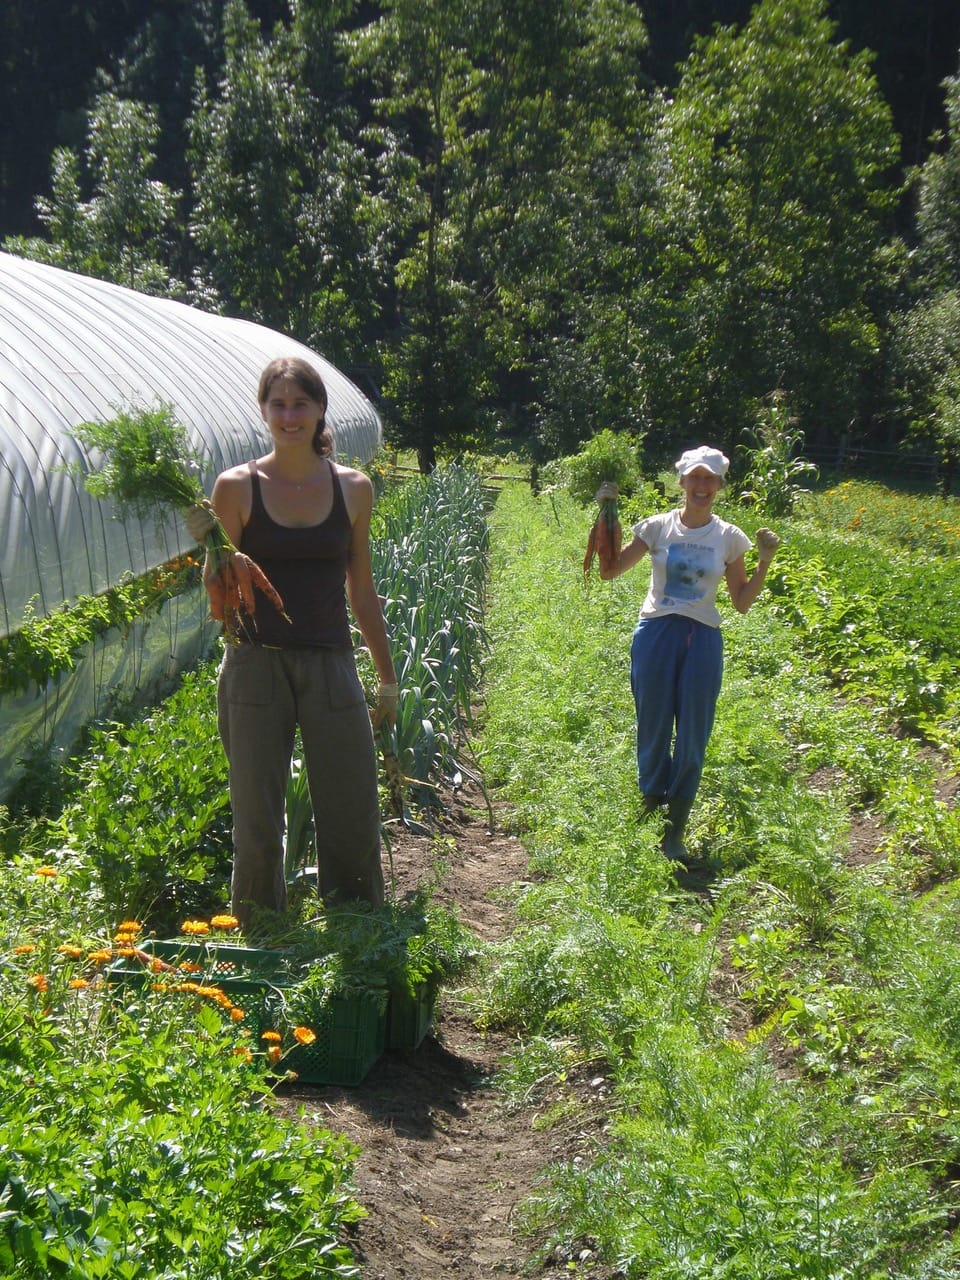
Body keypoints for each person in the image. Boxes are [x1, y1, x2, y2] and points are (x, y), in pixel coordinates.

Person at [186, 356, 398, 924]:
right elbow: (220, 592)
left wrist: (387, 677)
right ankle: (260, 938)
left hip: (331, 663)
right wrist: (207, 549)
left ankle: (354, 936)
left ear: (320, 409)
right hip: (255, 666)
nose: (288, 415)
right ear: (263, 411)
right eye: (277, 404)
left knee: (351, 810)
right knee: (256, 820)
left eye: (299, 403)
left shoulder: (353, 489)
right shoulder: (236, 486)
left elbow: (363, 590)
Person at [596, 445, 780, 862]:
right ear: (681, 481)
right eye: (695, 477)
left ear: (719, 485)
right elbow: (609, 570)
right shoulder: (657, 528)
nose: (702, 485)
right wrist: (607, 515)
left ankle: (674, 831)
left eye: (710, 478)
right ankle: (650, 805)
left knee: (693, 734)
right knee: (654, 724)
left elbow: (741, 602)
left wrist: (764, 562)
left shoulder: (729, 537)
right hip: (656, 634)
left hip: (702, 641)